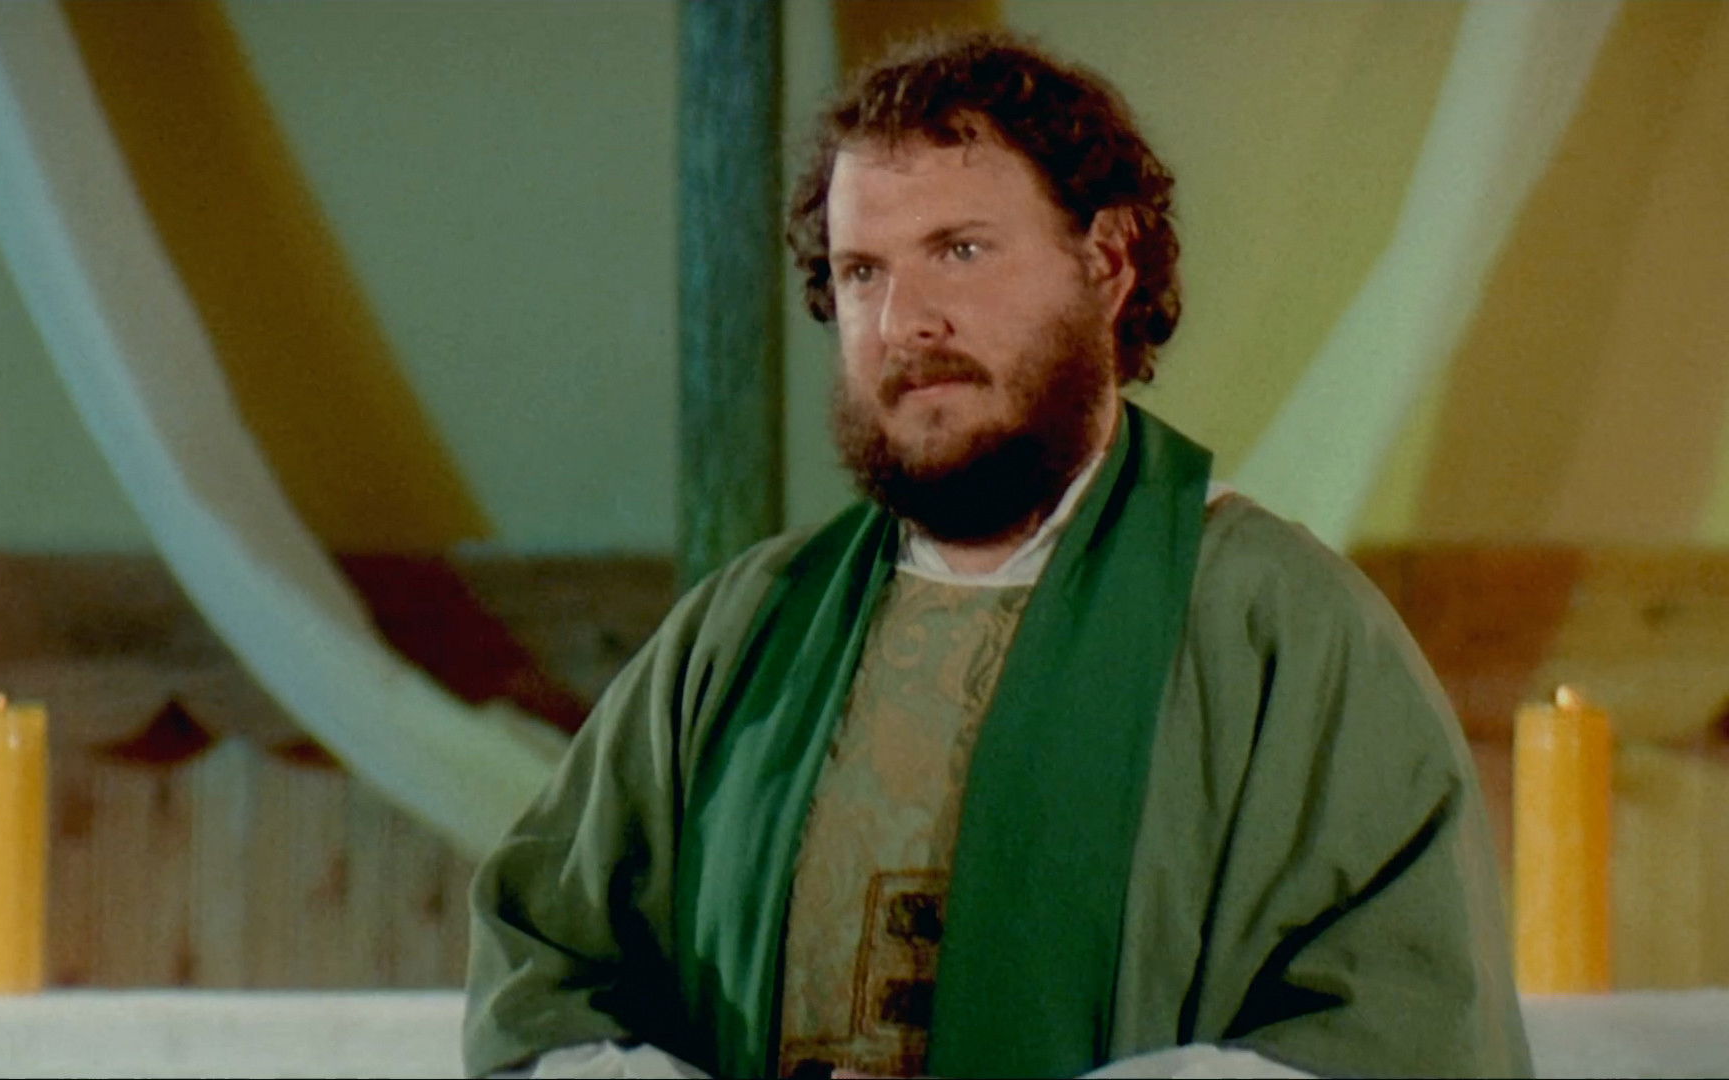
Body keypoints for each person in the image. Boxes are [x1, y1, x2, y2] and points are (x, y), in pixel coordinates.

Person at [462, 31, 1530, 1080]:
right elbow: (542, 970)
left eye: (960, 251)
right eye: (862, 271)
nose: (906, 322)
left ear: (1108, 262)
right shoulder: (743, 630)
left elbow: (1406, 1035)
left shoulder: (1279, 630)